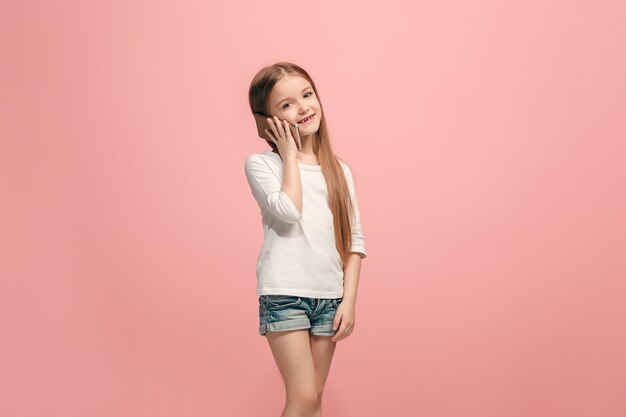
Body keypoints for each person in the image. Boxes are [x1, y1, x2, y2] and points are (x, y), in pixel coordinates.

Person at [244, 61, 367, 417]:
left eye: (307, 95)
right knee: (303, 394)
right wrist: (290, 155)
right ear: (267, 122)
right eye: (286, 105)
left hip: (329, 297)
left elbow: (354, 242)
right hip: (285, 293)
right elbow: (288, 209)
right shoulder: (263, 166)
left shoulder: (340, 171)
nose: (303, 108)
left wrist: (350, 301)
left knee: (315, 400)